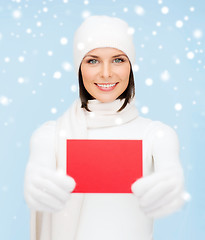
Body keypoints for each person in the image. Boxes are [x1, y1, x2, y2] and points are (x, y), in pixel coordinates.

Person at [24, 15, 187, 240]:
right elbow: (38, 174)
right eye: (93, 60)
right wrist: (36, 186)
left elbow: (170, 173)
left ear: (131, 65)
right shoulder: (50, 136)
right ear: (78, 67)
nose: (106, 73)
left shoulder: (157, 136)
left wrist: (171, 185)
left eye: (118, 59)